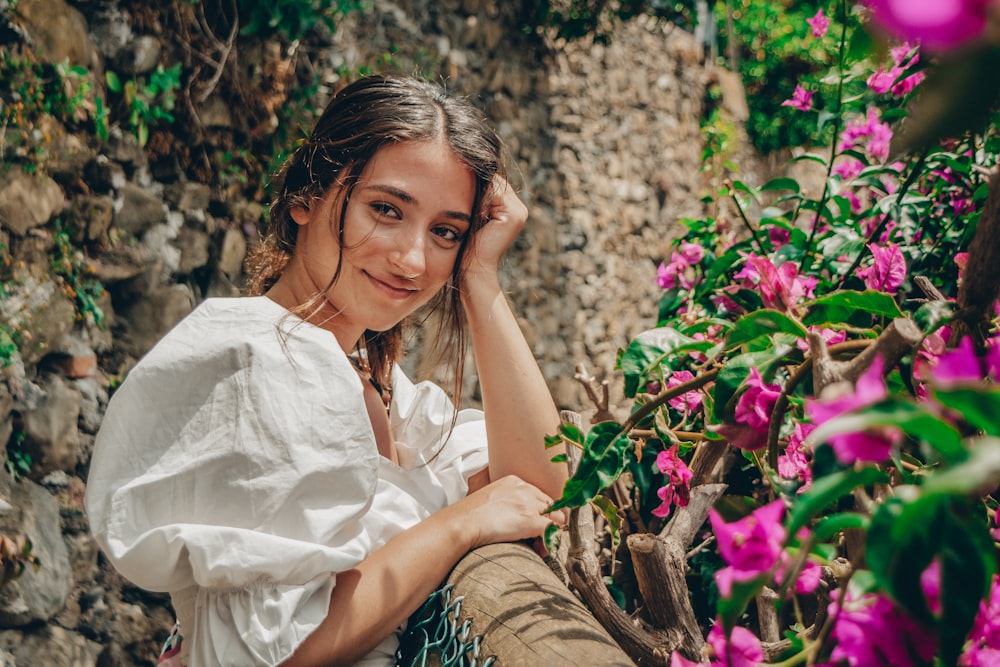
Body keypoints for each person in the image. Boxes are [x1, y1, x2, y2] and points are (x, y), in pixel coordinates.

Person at [85, 74, 568, 667]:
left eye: (446, 232)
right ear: (305, 197)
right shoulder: (255, 366)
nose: (413, 258)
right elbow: (279, 651)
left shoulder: (374, 383)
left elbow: (541, 488)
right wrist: (458, 526)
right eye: (386, 210)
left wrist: (479, 278)